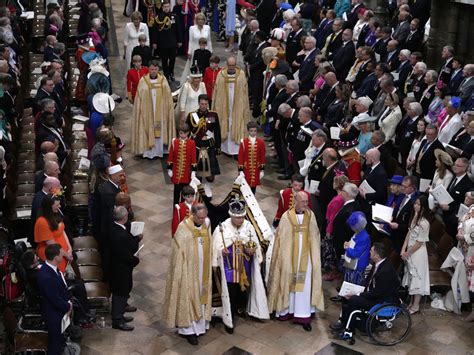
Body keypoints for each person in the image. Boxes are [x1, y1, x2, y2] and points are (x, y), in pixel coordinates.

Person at [267, 191, 324, 332]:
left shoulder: (310, 216)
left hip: (306, 260)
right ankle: (287, 310)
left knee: (303, 286)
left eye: (307, 201)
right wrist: (283, 258)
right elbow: (281, 240)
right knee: (288, 282)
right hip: (289, 259)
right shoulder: (287, 217)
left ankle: (302, 314)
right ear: (296, 202)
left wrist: (314, 256)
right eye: (303, 202)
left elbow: (315, 236)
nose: (306, 204)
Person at [212, 198, 269, 333]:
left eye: (242, 217)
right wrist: (222, 251)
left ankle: (240, 308)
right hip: (229, 268)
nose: (241, 220)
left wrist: (252, 249)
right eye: (238, 218)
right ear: (231, 215)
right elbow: (216, 247)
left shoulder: (248, 226)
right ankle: (229, 316)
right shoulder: (222, 228)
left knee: (243, 290)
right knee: (230, 292)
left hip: (244, 267)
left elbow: (254, 243)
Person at [163, 203, 214, 346]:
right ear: (192, 215)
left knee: (202, 295)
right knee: (189, 295)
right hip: (188, 270)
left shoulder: (207, 223)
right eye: (199, 218)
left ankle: (201, 326)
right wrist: (182, 268)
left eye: (204, 217)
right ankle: (189, 330)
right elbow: (177, 252)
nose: (202, 221)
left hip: (203, 269)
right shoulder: (183, 228)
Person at [330, 243, 400, 339]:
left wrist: (359, 294)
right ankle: (343, 322)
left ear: (377, 255)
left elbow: (377, 293)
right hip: (374, 294)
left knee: (353, 299)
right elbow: (369, 281)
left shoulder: (386, 271)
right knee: (346, 294)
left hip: (381, 301)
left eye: (371, 251)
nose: (369, 252)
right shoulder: (378, 263)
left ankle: (349, 330)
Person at [131, 60, 175, 159]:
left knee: (160, 128)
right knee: (148, 128)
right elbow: (139, 97)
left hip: (161, 110)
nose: (153, 71)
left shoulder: (163, 80)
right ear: (148, 69)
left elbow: (168, 97)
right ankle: (149, 152)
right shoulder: (143, 81)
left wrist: (167, 108)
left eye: (155, 69)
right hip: (148, 111)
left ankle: (159, 151)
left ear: (158, 69)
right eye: (151, 69)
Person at [37, 244, 72, 355]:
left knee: (58, 340)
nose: (63, 256)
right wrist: (68, 306)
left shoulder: (51, 268)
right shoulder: (46, 276)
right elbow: (54, 299)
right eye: (61, 254)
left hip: (57, 309)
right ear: (56, 257)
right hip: (53, 314)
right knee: (55, 343)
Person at [212, 56, 250, 156]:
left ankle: (237, 150)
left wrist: (244, 105)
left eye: (233, 65)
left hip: (237, 105)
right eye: (230, 65)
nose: (232, 67)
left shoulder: (241, 75)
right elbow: (216, 91)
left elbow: (245, 92)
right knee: (225, 124)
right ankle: (224, 149)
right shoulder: (221, 75)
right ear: (227, 65)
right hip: (224, 106)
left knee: (237, 123)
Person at [109, 206, 140, 331]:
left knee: (123, 290)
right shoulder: (120, 234)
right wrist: (135, 260)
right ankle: (117, 319)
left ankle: (120, 314)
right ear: (124, 217)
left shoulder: (115, 227)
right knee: (120, 292)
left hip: (118, 266)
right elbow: (125, 254)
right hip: (120, 268)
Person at [186, 94, 221, 198]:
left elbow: (217, 131)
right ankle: (197, 189)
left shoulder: (212, 115)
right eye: (202, 104)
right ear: (198, 103)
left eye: (206, 104)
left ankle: (208, 187)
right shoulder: (192, 116)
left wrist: (218, 146)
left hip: (209, 146)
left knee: (210, 174)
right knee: (197, 172)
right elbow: (187, 132)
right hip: (196, 146)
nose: (204, 106)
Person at [401, 195, 431, 315]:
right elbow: (409, 233)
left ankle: (416, 305)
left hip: (417, 252)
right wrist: (403, 249)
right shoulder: (415, 217)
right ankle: (411, 303)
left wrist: (407, 253)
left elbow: (419, 242)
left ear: (423, 207)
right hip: (410, 250)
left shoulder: (424, 223)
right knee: (411, 277)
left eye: (418, 204)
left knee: (417, 277)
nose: (416, 206)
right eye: (415, 204)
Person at [34, 194, 72, 274]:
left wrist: (69, 248)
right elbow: (51, 244)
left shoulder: (56, 214)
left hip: (63, 254)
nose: (60, 206)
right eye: (57, 205)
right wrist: (66, 255)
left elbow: (62, 231)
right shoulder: (42, 221)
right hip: (53, 256)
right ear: (49, 206)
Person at [322, 174, 349, 282]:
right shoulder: (341, 197)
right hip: (332, 226)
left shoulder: (338, 199)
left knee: (330, 252)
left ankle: (333, 273)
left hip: (331, 228)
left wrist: (328, 231)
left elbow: (333, 217)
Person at [150, 0, 182, 82]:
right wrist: (154, 42)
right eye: (165, 7)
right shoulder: (158, 17)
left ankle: (171, 73)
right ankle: (166, 74)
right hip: (163, 43)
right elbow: (155, 31)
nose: (166, 8)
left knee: (172, 59)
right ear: (162, 7)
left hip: (172, 42)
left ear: (170, 7)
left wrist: (179, 40)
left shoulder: (174, 16)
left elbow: (178, 29)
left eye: (168, 6)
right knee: (164, 60)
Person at [167, 123, 197, 205]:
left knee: (185, 193)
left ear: (188, 133)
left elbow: (193, 158)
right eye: (180, 133)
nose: (182, 135)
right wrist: (169, 168)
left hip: (186, 173)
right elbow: (171, 156)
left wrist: (193, 171)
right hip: (176, 173)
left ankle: (183, 209)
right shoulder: (174, 142)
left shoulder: (191, 143)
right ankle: (175, 210)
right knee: (176, 193)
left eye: (184, 133)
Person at [343, 211, 371, 286]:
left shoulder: (364, 237)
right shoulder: (359, 233)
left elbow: (356, 253)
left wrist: (347, 247)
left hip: (357, 266)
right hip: (354, 264)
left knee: (353, 284)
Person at [237, 122, 266, 194]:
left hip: (256, 168)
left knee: (253, 187)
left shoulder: (261, 142)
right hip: (246, 169)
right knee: (245, 187)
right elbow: (240, 157)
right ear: (248, 131)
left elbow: (262, 156)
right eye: (251, 131)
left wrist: (262, 170)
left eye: (255, 131)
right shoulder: (243, 142)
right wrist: (240, 170)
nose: (253, 133)